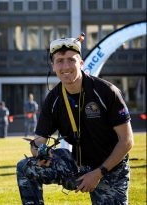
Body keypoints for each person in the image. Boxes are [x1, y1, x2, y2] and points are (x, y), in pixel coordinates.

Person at [16, 35, 134, 204]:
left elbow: (127, 141)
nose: (66, 66)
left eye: (71, 60)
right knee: (25, 167)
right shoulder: (53, 99)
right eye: (60, 61)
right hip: (77, 165)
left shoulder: (106, 91)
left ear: (81, 63)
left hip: (110, 169)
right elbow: (38, 141)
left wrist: (98, 173)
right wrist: (40, 151)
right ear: (53, 66)